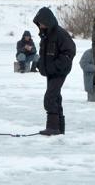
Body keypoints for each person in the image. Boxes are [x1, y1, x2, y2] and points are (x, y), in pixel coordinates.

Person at [33, 7, 76, 136]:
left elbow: (69, 51)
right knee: (56, 97)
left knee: (50, 98)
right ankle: (59, 128)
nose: (40, 25)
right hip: (50, 71)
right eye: (38, 23)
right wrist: (41, 64)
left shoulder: (60, 34)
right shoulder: (45, 34)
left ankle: (52, 127)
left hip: (59, 71)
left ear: (48, 21)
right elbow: (43, 54)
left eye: (41, 22)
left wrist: (57, 66)